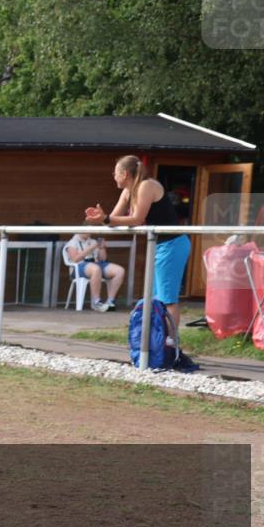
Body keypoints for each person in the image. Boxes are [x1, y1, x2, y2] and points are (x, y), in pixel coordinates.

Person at [85, 154, 196, 368]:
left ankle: (171, 344)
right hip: (160, 245)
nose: (113, 176)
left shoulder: (146, 186)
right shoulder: (128, 191)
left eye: (115, 172)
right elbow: (112, 220)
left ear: (125, 174)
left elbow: (136, 219)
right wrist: (101, 218)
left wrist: (107, 219)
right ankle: (160, 343)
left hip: (172, 244)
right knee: (157, 297)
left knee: (167, 298)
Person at [64, 232, 126, 312]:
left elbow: (103, 259)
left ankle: (110, 301)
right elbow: (75, 259)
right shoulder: (72, 243)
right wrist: (91, 247)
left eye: (89, 230)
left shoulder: (93, 241)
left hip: (96, 264)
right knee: (96, 269)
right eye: (85, 230)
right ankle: (96, 302)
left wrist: (102, 248)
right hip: (79, 267)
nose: (88, 232)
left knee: (119, 271)